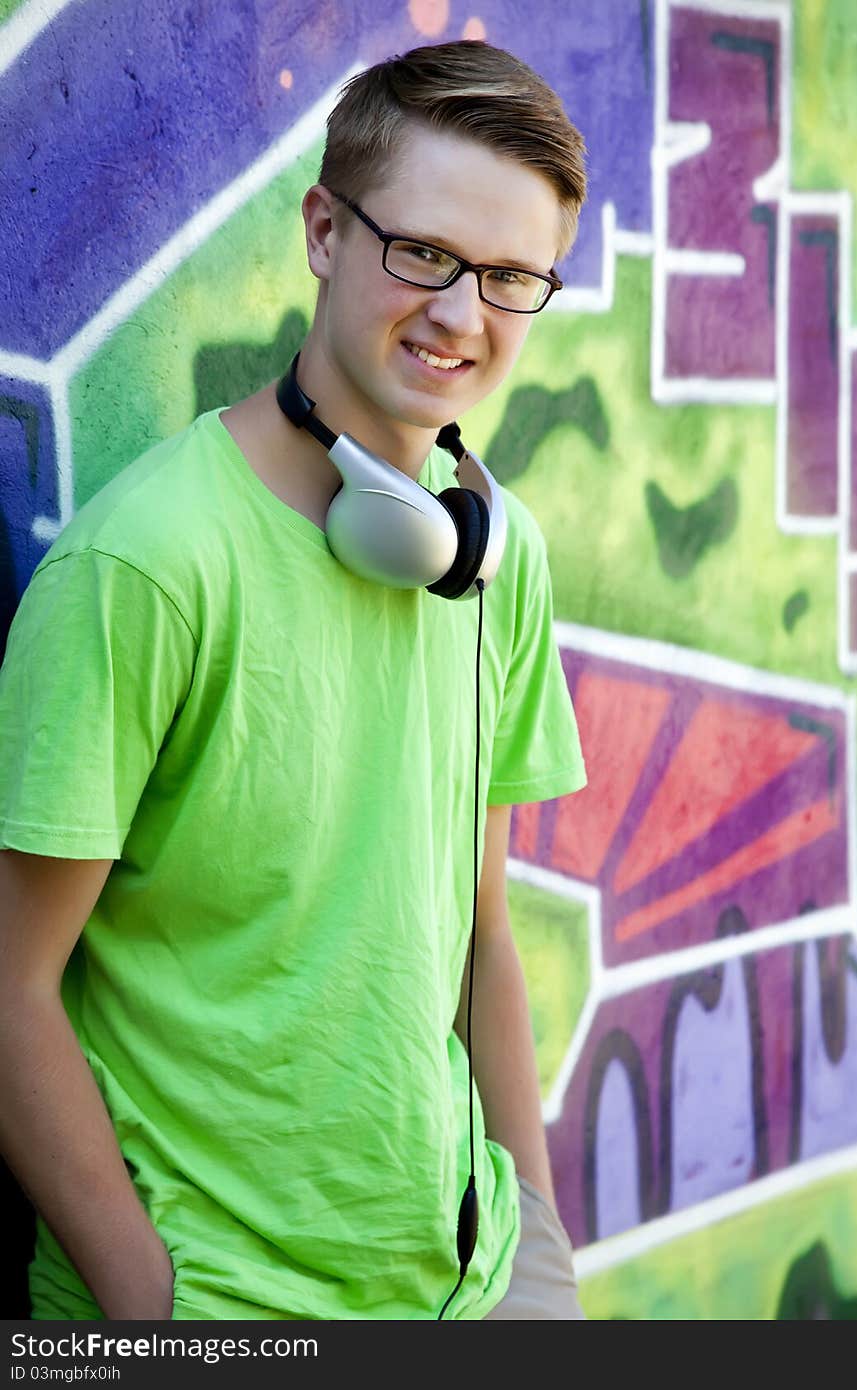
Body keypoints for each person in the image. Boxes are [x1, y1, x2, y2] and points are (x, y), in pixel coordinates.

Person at [0, 40, 587, 1321]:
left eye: (507, 277)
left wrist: (535, 1241)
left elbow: (481, 927)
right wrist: (151, 1308)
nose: (458, 313)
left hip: (472, 1290)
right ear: (324, 229)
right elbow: (8, 986)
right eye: (421, 252)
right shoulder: (148, 563)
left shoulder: (497, 555)